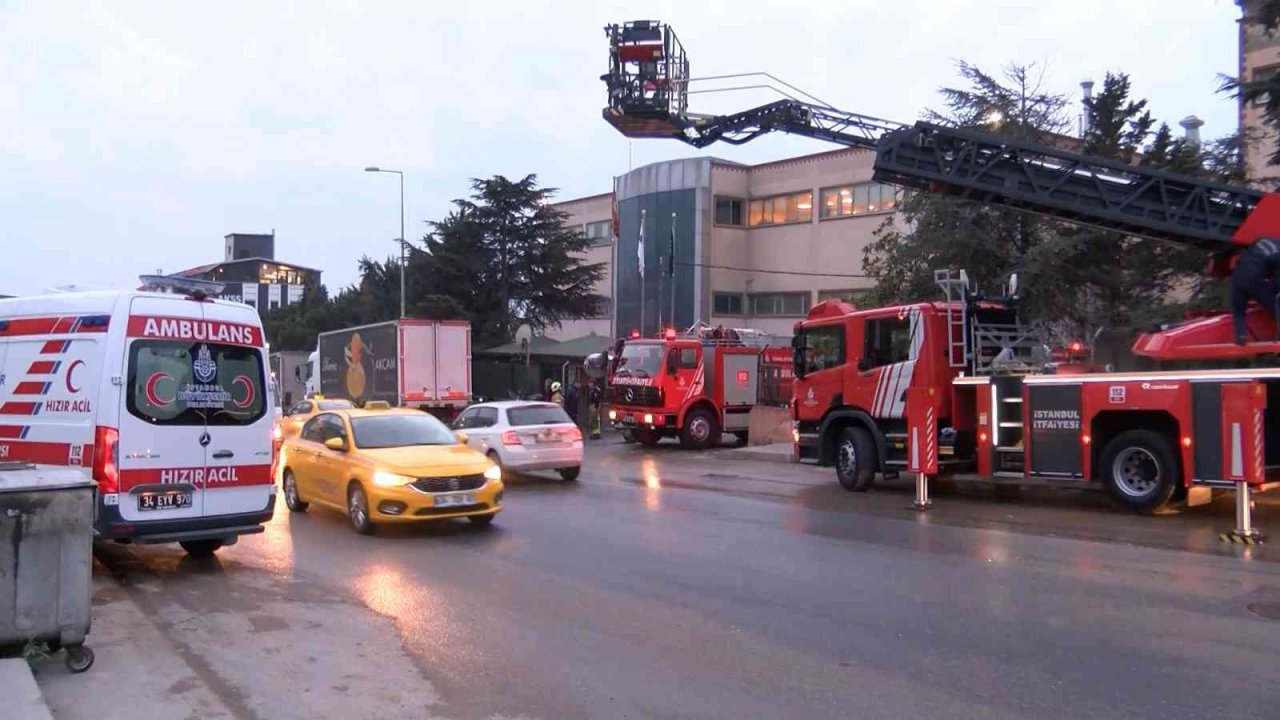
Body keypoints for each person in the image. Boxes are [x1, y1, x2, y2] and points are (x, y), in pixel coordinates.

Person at [1229, 238, 1280, 344]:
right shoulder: (1276, 250)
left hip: (1237, 280)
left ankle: (1241, 336)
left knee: (1238, 311)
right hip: (1256, 280)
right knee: (1274, 304)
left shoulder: (1259, 243)